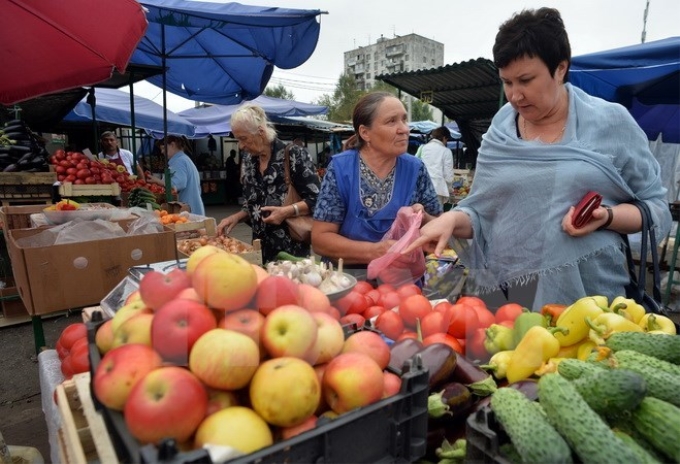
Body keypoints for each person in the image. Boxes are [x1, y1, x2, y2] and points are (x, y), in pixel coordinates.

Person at [404, 7, 671, 310]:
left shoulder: (610, 123)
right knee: (500, 356)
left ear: (560, 69)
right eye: (507, 82)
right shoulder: (501, 129)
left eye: (526, 80)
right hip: (504, 294)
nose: (515, 95)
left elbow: (655, 208)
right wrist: (451, 219)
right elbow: (483, 214)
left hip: (589, 299)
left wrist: (606, 218)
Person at [312, 91, 443, 278]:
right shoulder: (341, 169)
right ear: (365, 133)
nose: (404, 129)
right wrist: (376, 251)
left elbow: (439, 230)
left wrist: (422, 219)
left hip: (401, 283)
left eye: (404, 120)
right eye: (392, 121)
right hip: (345, 282)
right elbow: (320, 240)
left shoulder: (416, 169)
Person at [216, 105, 321, 263]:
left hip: (291, 251)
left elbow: (317, 199)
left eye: (243, 138)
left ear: (261, 132)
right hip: (259, 249)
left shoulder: (294, 154)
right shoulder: (249, 160)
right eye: (238, 139)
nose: (241, 146)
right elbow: (253, 203)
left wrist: (286, 211)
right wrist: (236, 217)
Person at [146, 135, 205, 216]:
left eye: (163, 148)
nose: (162, 152)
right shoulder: (184, 159)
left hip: (186, 211)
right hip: (192, 209)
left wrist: (157, 181)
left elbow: (177, 184)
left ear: (172, 145)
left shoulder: (179, 161)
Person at [418, 126, 455, 206]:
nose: (446, 142)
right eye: (447, 140)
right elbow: (448, 175)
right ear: (444, 138)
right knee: (436, 217)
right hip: (438, 190)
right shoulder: (446, 151)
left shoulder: (424, 148)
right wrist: (450, 190)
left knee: (422, 216)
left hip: (423, 188)